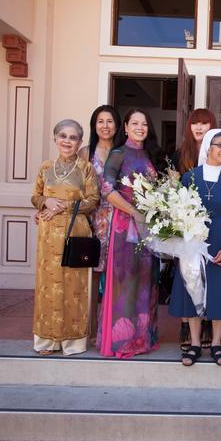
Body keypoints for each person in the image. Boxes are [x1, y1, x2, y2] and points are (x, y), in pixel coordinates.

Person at [169, 129, 221, 366]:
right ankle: (194, 343)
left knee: (218, 291)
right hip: (193, 242)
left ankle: (216, 344)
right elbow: (178, 211)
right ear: (208, 148)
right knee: (192, 289)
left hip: (220, 241)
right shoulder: (189, 177)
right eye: (220, 145)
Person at [98, 109, 164, 358]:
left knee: (147, 280)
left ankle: (143, 338)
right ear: (125, 127)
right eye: (134, 123)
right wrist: (134, 212)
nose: (140, 128)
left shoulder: (150, 155)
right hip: (124, 227)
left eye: (144, 124)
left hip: (148, 228)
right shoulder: (118, 154)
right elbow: (107, 189)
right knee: (125, 281)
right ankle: (122, 341)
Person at [31, 119, 100, 355]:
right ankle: (47, 340)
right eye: (63, 136)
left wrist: (62, 206)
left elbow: (93, 200)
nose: (67, 141)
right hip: (48, 234)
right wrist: (45, 201)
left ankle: (73, 341)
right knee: (48, 285)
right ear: (55, 138)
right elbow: (35, 196)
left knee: (74, 286)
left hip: (75, 231)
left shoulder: (86, 168)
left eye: (73, 137)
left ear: (80, 142)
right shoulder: (45, 167)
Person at [171, 108, 218, 351]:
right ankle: (186, 325)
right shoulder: (181, 153)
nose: (199, 128)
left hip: (212, 222)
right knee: (186, 273)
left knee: (208, 274)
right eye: (195, 123)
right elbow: (172, 187)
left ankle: (207, 322)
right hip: (186, 221)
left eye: (204, 123)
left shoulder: (218, 152)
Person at [78, 105, 122, 344]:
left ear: (117, 125)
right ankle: (90, 329)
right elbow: (75, 186)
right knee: (93, 275)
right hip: (93, 219)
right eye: (100, 121)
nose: (105, 126)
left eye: (110, 121)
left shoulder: (123, 151)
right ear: (94, 126)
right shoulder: (86, 153)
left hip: (120, 218)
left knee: (116, 274)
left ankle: (112, 330)